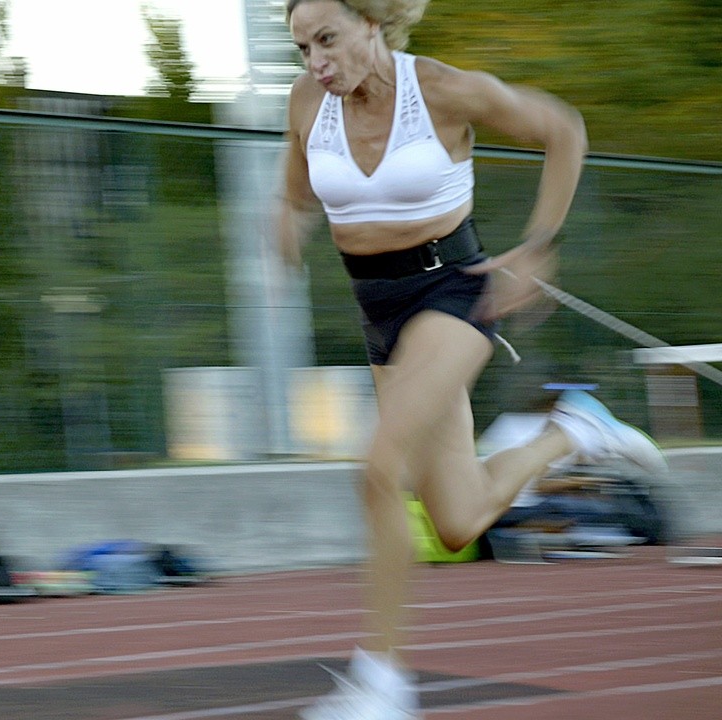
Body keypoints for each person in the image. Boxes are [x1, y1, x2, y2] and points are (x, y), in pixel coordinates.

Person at [273, 2, 668, 718]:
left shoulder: (445, 90)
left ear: (372, 23)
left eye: (326, 39)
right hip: (379, 311)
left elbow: (563, 130)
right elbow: (296, 194)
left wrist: (540, 242)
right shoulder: (307, 102)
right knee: (457, 521)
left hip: (455, 294)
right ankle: (571, 431)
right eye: (302, 47)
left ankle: (381, 686)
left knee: (377, 473)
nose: (314, 62)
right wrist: (284, 235)